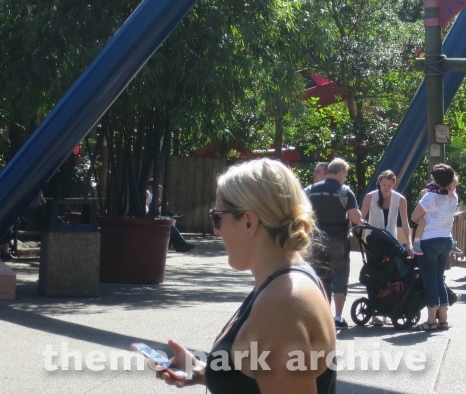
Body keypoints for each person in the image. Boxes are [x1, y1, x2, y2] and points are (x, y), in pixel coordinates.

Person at [156, 159, 336, 392]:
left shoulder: (281, 304)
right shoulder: (290, 282)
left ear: (249, 222)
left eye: (217, 217)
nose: (216, 231)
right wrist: (204, 372)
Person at [305, 158, 362, 328]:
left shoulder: (310, 190)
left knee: (318, 277)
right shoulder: (344, 192)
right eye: (345, 174)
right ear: (340, 172)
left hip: (316, 238)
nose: (345, 177)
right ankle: (337, 318)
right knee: (339, 278)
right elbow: (355, 218)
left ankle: (320, 317)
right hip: (338, 239)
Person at [410, 164, 460, 331]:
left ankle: (431, 320)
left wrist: (423, 219)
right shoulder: (454, 197)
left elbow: (414, 216)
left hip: (429, 240)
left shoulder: (429, 197)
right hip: (446, 239)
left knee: (429, 280)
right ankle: (443, 319)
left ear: (436, 180)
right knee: (439, 279)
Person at [360, 169, 412, 244]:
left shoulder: (401, 199)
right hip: (372, 240)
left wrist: (409, 243)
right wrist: (361, 221)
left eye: (389, 185)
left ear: (394, 184)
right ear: (379, 182)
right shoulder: (370, 197)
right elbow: (361, 217)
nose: (386, 188)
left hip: (390, 241)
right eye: (384, 185)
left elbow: (405, 222)